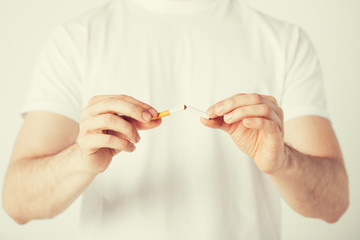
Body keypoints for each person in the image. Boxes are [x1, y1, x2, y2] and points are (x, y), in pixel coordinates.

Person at [2, 0, 349, 239]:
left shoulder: (284, 41)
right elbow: (17, 203)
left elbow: (335, 203)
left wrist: (282, 161)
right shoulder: (76, 39)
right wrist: (80, 160)